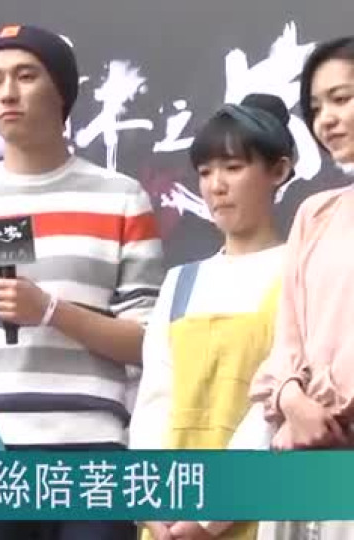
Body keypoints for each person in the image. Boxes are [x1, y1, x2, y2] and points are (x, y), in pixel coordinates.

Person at [0, 24, 165, 540]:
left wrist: (51, 312)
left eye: (26, 76)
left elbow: (148, 341)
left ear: (62, 92)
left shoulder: (120, 198)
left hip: (92, 448)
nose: (7, 93)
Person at [130, 94, 296, 540]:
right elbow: (153, 401)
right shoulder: (181, 281)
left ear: (279, 171)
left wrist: (208, 517)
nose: (215, 186)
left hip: (255, 515)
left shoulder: (298, 273)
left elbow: (272, 411)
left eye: (233, 168)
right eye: (205, 172)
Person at [247, 35, 354, 540]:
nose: (326, 120)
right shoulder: (316, 213)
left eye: (342, 98)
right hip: (301, 455)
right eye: (315, 108)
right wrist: (291, 399)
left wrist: (324, 414)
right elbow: (287, 340)